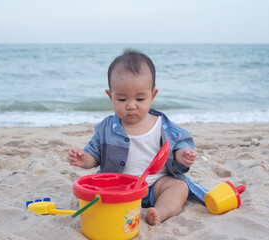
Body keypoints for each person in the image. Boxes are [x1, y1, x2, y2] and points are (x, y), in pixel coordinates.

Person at [67, 49, 198, 226]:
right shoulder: (106, 127)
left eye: (140, 99)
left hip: (154, 186)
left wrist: (181, 153)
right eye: (121, 99)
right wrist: (85, 159)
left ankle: (160, 211)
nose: (131, 106)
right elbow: (94, 154)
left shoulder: (162, 125)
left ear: (152, 96)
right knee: (96, 196)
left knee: (178, 187)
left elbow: (180, 142)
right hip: (118, 190)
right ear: (110, 96)